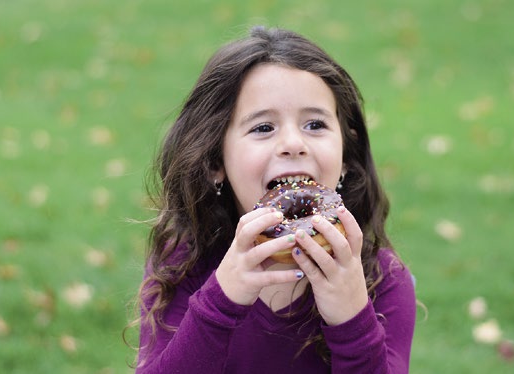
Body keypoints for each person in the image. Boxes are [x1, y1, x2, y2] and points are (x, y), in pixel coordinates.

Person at [133, 26, 416, 373]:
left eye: (315, 124)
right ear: (215, 163)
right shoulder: (182, 266)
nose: (293, 142)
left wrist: (352, 317)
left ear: (345, 156)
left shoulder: (381, 278)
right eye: (263, 128)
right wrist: (221, 301)